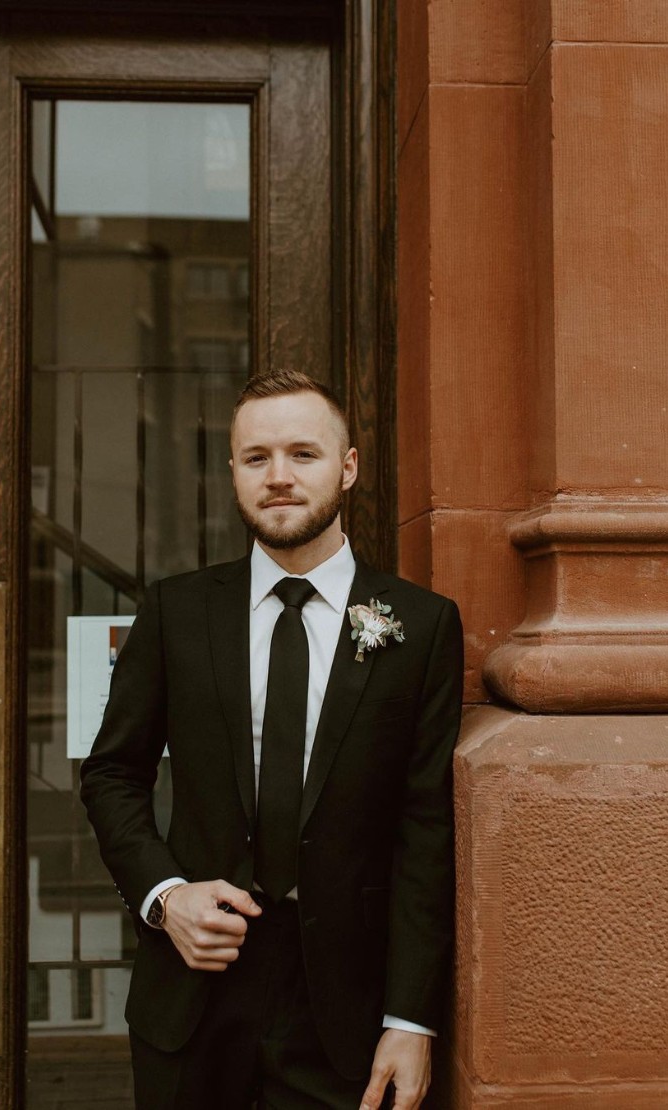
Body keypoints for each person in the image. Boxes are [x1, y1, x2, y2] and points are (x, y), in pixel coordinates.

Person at [80, 370, 464, 1110]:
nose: (279, 477)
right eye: (256, 458)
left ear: (348, 467)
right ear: (232, 473)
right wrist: (165, 897)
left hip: (346, 1009)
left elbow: (426, 827)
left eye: (303, 454)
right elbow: (112, 775)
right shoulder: (175, 611)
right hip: (191, 995)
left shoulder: (420, 626)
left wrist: (410, 1018)